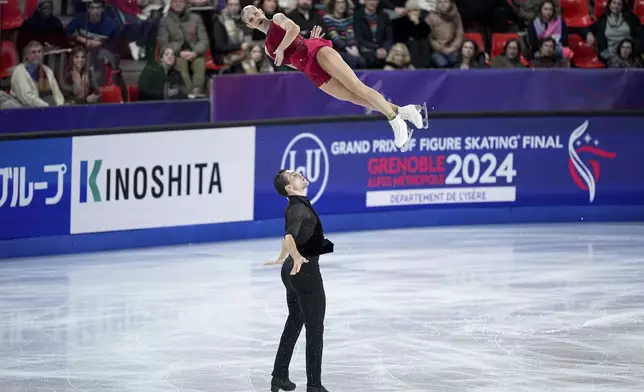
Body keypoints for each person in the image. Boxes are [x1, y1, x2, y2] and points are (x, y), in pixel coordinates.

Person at [241, 5, 426, 150]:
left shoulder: (277, 18)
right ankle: (405, 112)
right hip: (310, 69)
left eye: (255, 14)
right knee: (355, 98)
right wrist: (295, 48)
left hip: (316, 51)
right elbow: (292, 63)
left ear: (260, 11)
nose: (255, 19)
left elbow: (293, 28)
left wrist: (290, 46)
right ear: (249, 25)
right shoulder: (267, 49)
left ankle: (396, 122)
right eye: (251, 19)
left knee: (357, 86)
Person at [265, 169, 335, 392]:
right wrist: (294, 256)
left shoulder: (297, 206)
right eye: (294, 175)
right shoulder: (297, 208)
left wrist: (283, 257)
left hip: (292, 271)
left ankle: (279, 376)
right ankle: (314, 386)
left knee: (295, 320)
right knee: (315, 328)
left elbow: (288, 235)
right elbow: (289, 236)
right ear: (290, 188)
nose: (300, 174)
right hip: (305, 272)